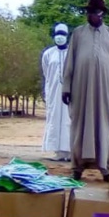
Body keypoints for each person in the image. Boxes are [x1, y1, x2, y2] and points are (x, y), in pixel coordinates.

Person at [62, 0, 109, 182]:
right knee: (79, 124)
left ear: (102, 15)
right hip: (80, 88)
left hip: (105, 89)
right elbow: (70, 62)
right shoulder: (78, 34)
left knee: (104, 125)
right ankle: (77, 167)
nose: (91, 16)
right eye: (88, 13)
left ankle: (105, 167)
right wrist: (66, 87)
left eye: (94, 13)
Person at [41, 23, 72, 161]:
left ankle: (70, 152)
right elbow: (46, 73)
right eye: (57, 34)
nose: (59, 37)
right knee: (54, 119)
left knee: (68, 119)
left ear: (67, 36)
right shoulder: (48, 54)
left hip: (70, 92)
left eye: (62, 34)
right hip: (53, 91)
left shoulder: (73, 52)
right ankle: (58, 152)